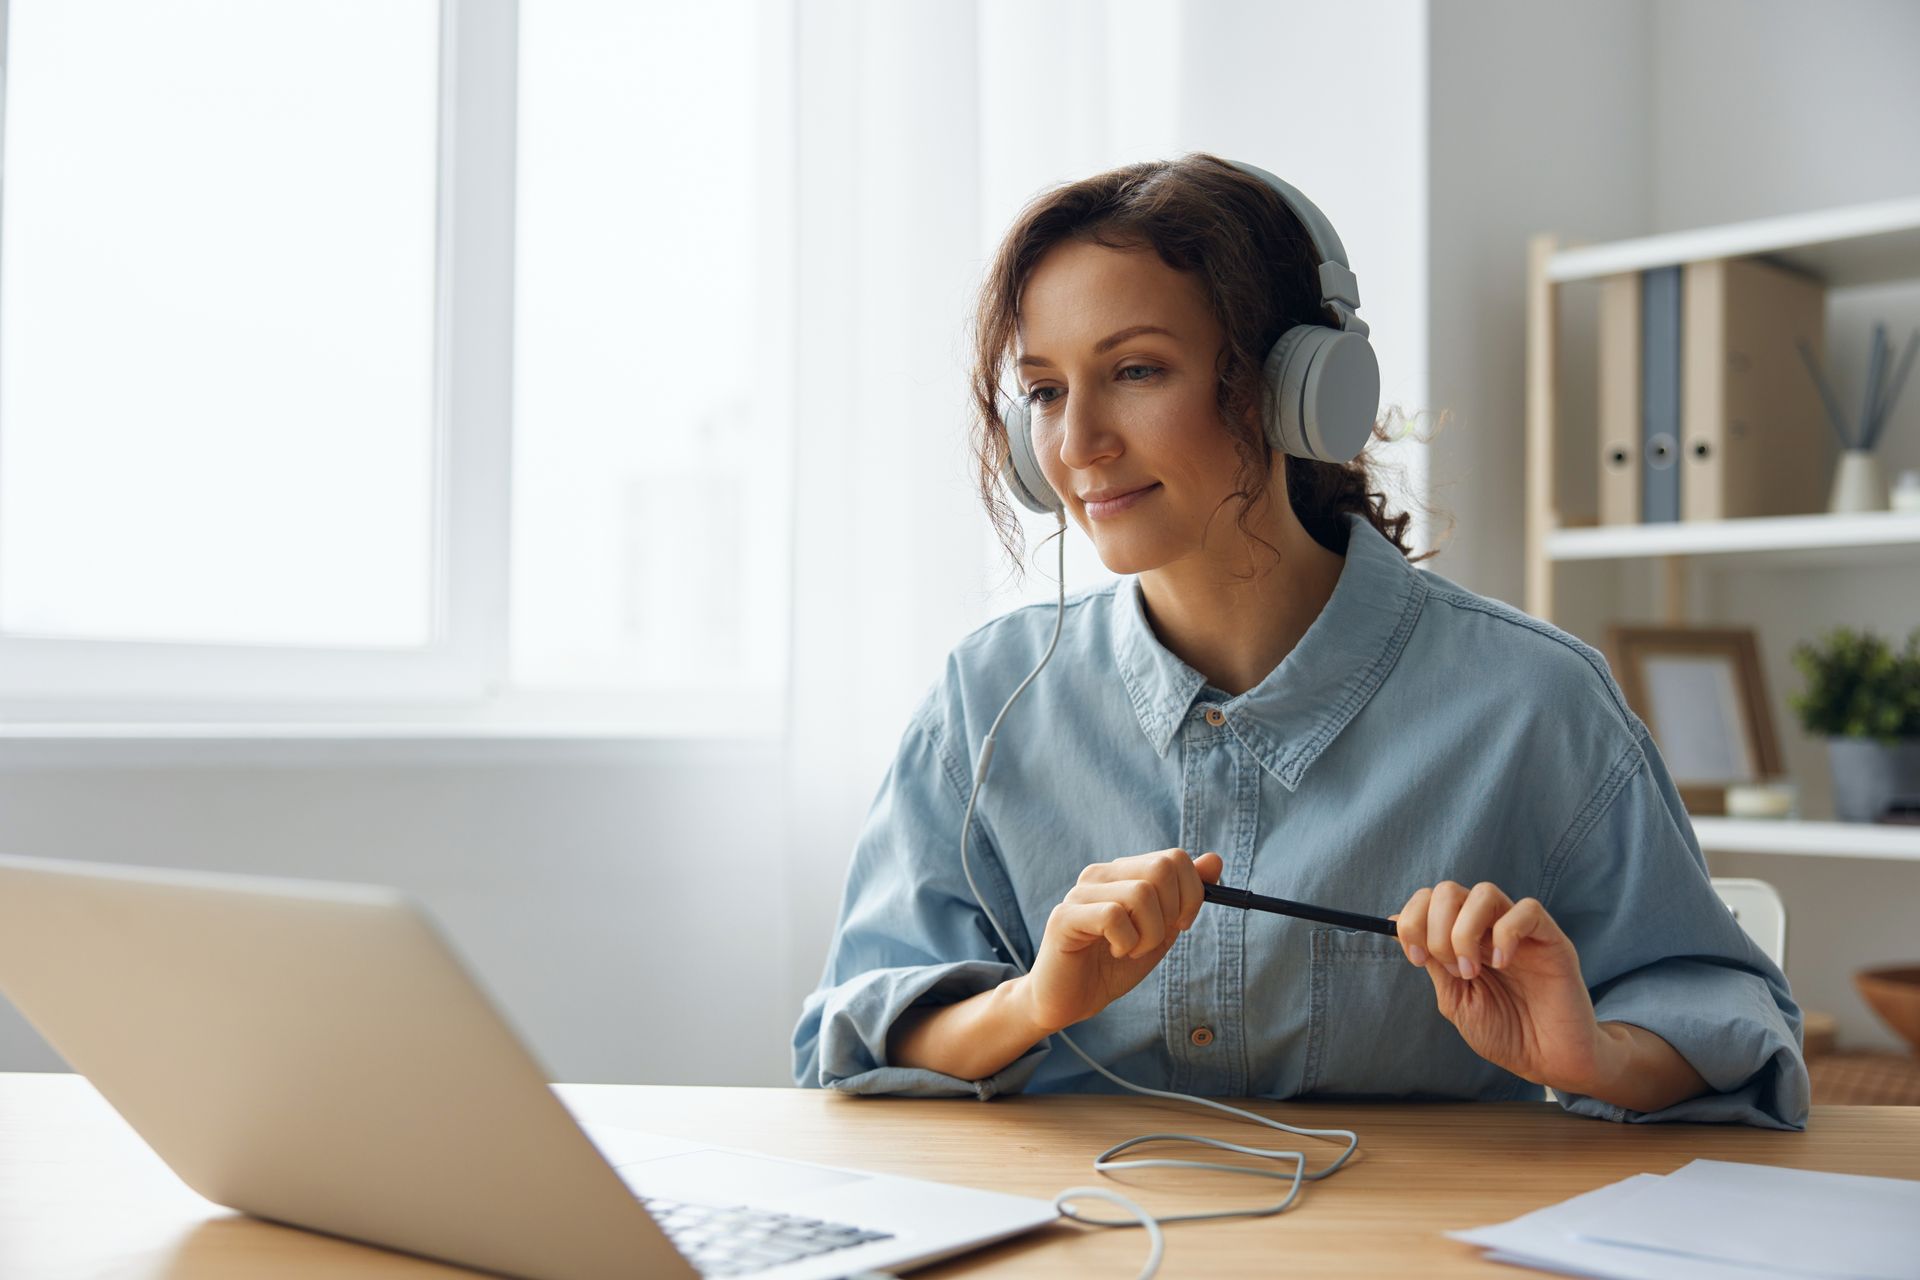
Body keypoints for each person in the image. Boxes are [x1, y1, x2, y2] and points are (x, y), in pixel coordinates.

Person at [791, 153, 1809, 1129]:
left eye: (1136, 369)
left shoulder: (1535, 702)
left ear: (1302, 387)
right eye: (1047, 390)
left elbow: (1731, 1022)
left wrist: (1590, 1053)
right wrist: (1034, 1002)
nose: (1079, 444)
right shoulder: (988, 694)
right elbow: (855, 1032)